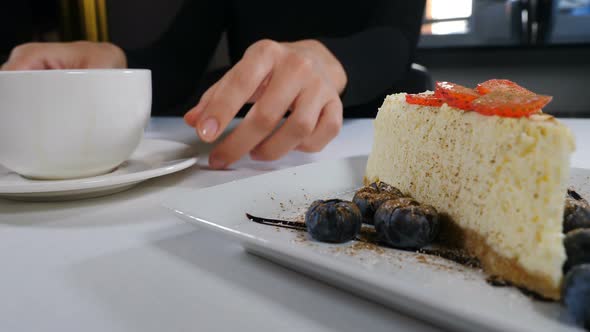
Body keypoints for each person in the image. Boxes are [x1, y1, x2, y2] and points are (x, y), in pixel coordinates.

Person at [1, 1, 426, 169]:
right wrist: (116, 60)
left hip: (365, 147)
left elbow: (395, 42)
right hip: (253, 159)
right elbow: (177, 60)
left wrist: (331, 62)